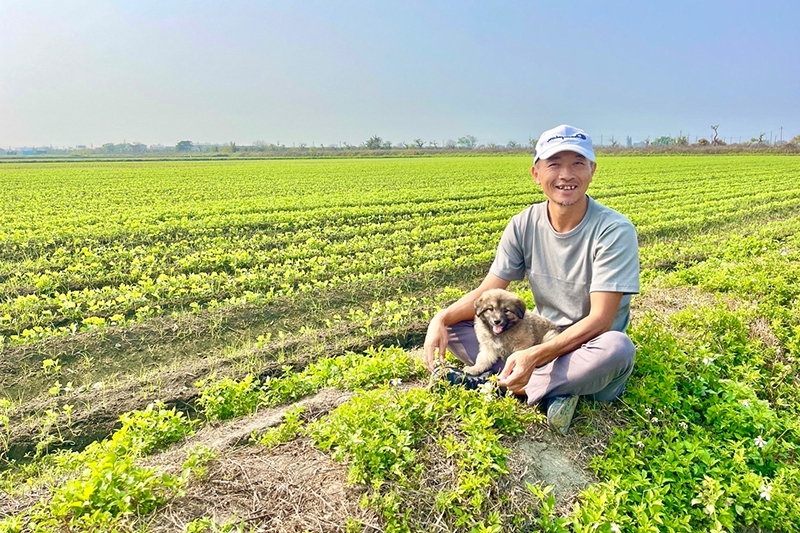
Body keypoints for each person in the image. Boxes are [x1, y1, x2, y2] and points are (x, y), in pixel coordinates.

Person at [423, 124, 639, 435]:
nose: (566, 175)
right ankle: (552, 390)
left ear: (592, 170)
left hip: (587, 346)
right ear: (536, 173)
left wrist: (534, 355)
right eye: (554, 164)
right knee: (461, 325)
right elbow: (488, 291)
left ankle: (501, 382)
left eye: (577, 163)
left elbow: (601, 320)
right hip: (537, 336)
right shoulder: (523, 224)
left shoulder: (614, 231)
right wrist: (440, 320)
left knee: (618, 348)